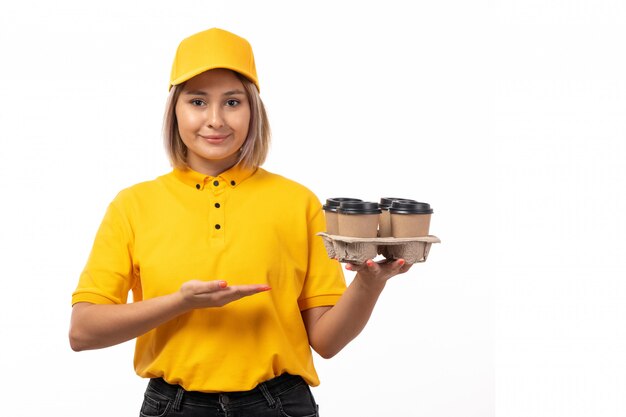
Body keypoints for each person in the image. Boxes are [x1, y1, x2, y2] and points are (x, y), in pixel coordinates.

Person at [69, 27, 412, 416]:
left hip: (280, 404)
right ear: (175, 110)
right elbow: (83, 332)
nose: (215, 119)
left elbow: (327, 341)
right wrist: (180, 303)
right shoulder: (133, 205)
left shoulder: (298, 202)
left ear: (252, 110)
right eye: (197, 101)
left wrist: (368, 283)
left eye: (232, 102)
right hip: (173, 406)